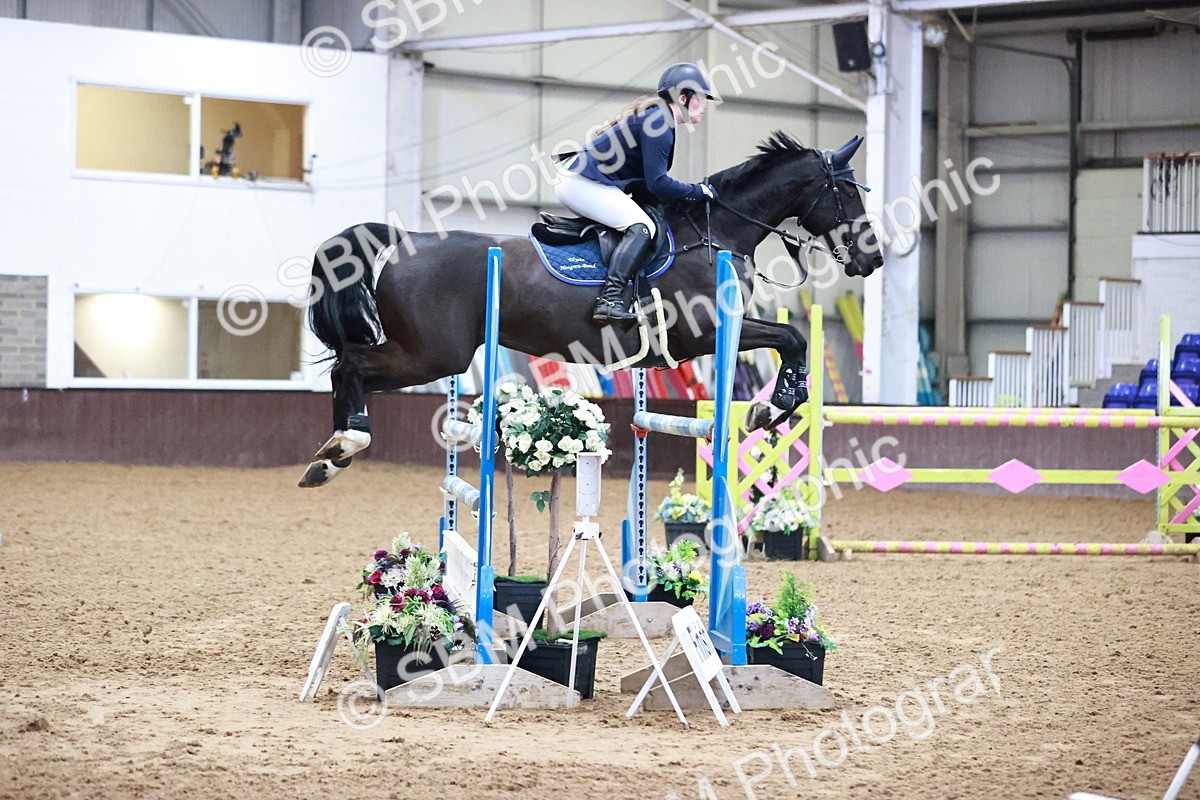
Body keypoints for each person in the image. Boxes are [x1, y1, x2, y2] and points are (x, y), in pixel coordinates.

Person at [556, 62, 718, 326]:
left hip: (584, 181)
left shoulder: (659, 119)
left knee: (645, 221)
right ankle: (609, 300)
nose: (705, 106)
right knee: (642, 227)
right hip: (580, 183)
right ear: (683, 97)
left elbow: (646, 184)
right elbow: (658, 183)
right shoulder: (659, 122)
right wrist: (696, 191)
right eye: (701, 98)